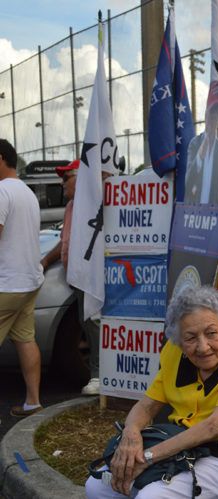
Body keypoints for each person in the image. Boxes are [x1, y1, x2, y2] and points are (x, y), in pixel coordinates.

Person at [85, 285, 218, 498]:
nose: (203, 347)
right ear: (179, 340)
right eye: (191, 338)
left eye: (211, 333)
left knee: (153, 496)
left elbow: (216, 426)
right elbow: (147, 405)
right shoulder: (174, 353)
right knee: (98, 484)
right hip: (184, 447)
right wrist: (131, 435)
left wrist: (147, 457)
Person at [40, 159, 101, 395]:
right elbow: (65, 241)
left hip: (90, 276)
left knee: (94, 323)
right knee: (87, 323)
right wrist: (46, 260)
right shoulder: (72, 207)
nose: (62, 183)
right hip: (76, 277)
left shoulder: (94, 204)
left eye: (67, 178)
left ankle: (99, 376)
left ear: (82, 179)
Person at [0, 139, 45, 418]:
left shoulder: (2, 190)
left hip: (6, 284)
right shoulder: (26, 192)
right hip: (28, 282)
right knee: (25, 339)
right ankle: (33, 402)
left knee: (25, 339)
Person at [184, 80, 218, 205]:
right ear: (205, 114)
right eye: (211, 113)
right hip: (195, 213)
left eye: (216, 114)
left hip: (213, 214)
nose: (213, 117)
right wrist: (200, 156)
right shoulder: (195, 144)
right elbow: (188, 183)